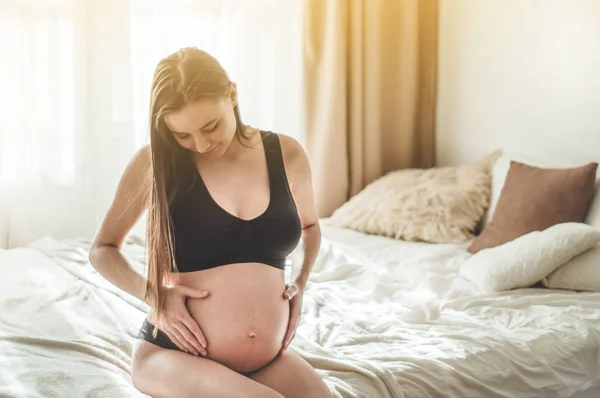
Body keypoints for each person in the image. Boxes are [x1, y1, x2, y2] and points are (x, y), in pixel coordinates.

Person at [89, 47, 331, 398]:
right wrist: (156, 296)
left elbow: (310, 227)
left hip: (267, 360)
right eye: (182, 136)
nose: (200, 145)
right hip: (172, 355)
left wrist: (301, 279)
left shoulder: (286, 154)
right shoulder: (154, 163)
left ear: (232, 94)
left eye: (210, 126)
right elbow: (102, 250)